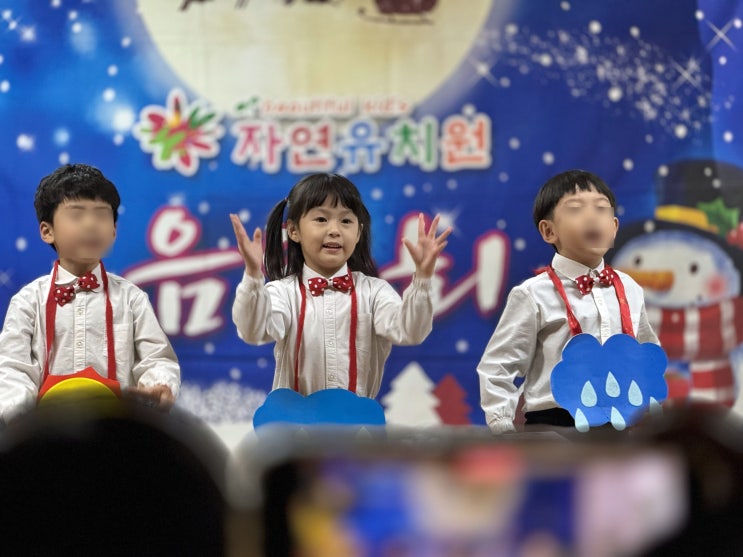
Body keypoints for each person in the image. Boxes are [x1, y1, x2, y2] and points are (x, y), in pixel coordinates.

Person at [230, 172, 451, 398]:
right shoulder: (282, 293)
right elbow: (253, 331)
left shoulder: (375, 292)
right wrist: (252, 274)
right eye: (321, 219)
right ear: (294, 231)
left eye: (346, 221)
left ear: (358, 233)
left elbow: (411, 331)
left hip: (359, 420)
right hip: (296, 420)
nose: (335, 230)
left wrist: (423, 278)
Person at [478, 169, 659, 433]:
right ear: (549, 230)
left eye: (601, 208)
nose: (592, 216)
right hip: (555, 426)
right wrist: (502, 426)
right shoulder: (533, 294)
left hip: (624, 422)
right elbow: (498, 366)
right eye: (576, 209)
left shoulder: (630, 288)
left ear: (614, 227)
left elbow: (646, 350)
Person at [0, 164, 180, 424]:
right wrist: (19, 418)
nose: (91, 224)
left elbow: (156, 358)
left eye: (101, 215)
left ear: (114, 230)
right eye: (76, 214)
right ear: (47, 231)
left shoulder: (132, 298)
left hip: (117, 428)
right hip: (47, 431)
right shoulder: (28, 301)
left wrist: (161, 384)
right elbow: (12, 369)